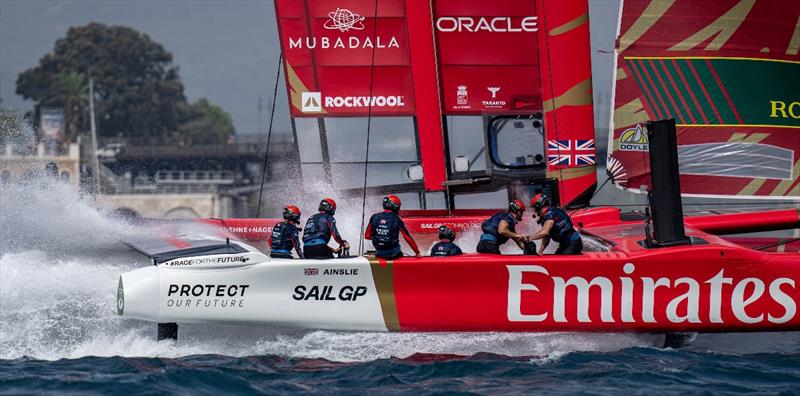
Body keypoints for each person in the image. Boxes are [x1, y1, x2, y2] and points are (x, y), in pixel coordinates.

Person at [365, 195, 421, 259]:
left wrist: (380, 237)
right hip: (393, 254)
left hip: (379, 252)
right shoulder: (397, 219)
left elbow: (367, 236)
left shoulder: (374, 216)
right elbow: (407, 237)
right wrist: (417, 253)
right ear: (395, 207)